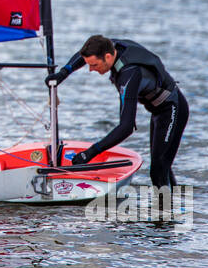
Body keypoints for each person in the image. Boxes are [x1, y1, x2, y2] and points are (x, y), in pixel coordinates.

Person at [46, 34, 188, 190]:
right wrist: (63, 74)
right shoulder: (109, 46)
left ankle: (166, 212)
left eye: (94, 65)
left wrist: (90, 153)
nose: (90, 69)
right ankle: (175, 209)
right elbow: (82, 56)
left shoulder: (130, 74)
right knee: (163, 167)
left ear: (107, 57)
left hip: (172, 109)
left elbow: (126, 127)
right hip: (158, 111)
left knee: (158, 170)